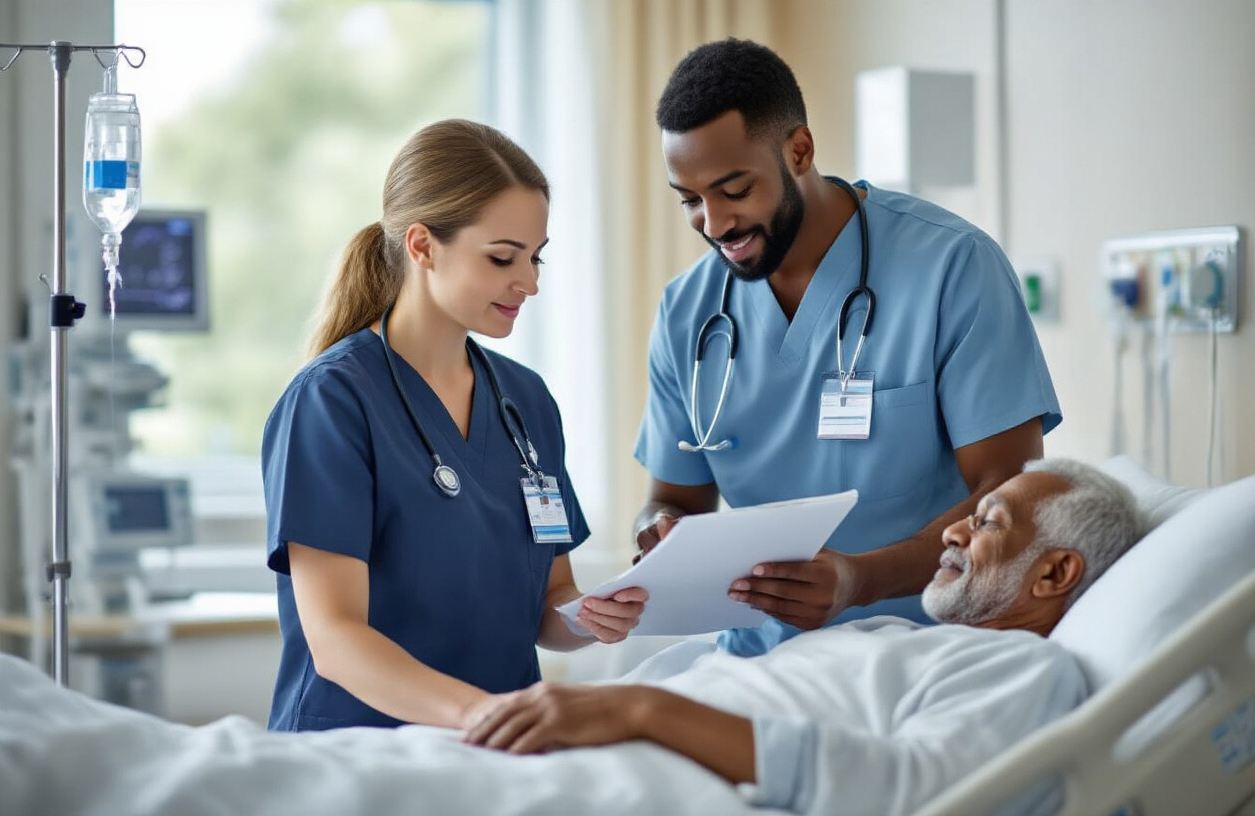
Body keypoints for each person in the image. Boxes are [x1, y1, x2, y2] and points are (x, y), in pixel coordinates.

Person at [632, 38, 1062, 657]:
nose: (715, 223)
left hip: (932, 647)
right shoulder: (687, 312)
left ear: (799, 151)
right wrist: (656, 532)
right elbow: (672, 498)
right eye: (690, 201)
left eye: (734, 190)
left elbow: (1013, 495)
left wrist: (860, 581)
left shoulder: (952, 267)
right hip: (763, 659)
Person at [465, 458, 1142, 815]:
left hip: (625, 779)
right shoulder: (890, 637)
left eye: (989, 521)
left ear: (1055, 573)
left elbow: (920, 792)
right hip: (554, 746)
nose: (953, 530)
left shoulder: (1022, 671)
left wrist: (641, 711)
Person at [261, 119, 646, 733]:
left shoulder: (526, 401)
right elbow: (335, 638)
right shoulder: (333, 401)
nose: (531, 282)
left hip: (498, 752)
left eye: (536, 257)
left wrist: (591, 616)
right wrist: (482, 714)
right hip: (358, 754)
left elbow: (549, 604)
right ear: (422, 246)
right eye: (502, 258)